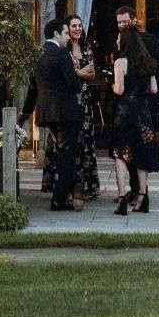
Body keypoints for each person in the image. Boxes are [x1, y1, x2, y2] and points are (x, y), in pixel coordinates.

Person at [110, 21, 159, 214]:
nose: (116, 40)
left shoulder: (120, 63)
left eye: (118, 38)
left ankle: (123, 197)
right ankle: (143, 197)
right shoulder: (148, 62)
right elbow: (154, 89)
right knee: (142, 155)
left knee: (120, 154)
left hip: (125, 114)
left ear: (124, 41)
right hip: (143, 114)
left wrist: (113, 87)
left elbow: (120, 89)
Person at [33, 17, 84, 211]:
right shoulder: (62, 54)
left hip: (47, 113)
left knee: (62, 153)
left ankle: (62, 195)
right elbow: (74, 84)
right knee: (67, 156)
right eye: (65, 33)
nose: (67, 37)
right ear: (56, 34)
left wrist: (25, 114)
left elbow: (33, 87)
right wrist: (78, 74)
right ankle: (60, 198)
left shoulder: (38, 54)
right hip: (66, 113)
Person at [66, 16, 102, 202]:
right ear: (68, 28)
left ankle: (88, 186)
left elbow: (93, 73)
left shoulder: (86, 47)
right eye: (74, 26)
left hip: (85, 100)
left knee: (86, 142)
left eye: (79, 25)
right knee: (71, 142)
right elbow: (67, 75)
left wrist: (77, 73)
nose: (77, 29)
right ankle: (70, 186)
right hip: (69, 100)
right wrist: (81, 73)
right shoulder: (64, 48)